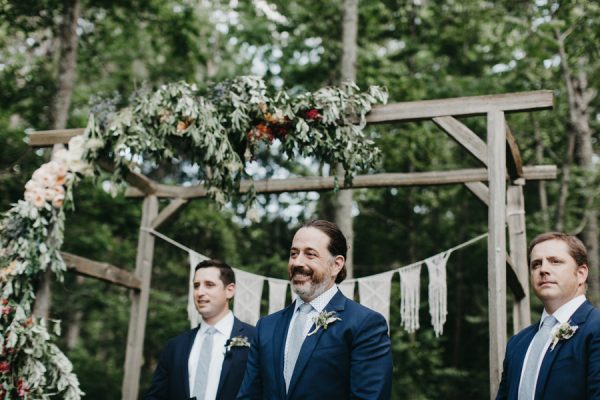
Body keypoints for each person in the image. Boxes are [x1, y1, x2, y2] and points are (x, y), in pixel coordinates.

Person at [237, 220, 392, 400]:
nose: (297, 262)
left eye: (310, 254)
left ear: (336, 265)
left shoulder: (364, 324)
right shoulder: (266, 326)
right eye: (294, 254)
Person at [496, 232, 600, 400]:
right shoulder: (517, 344)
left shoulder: (595, 328)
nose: (543, 269)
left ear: (581, 273)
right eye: (536, 264)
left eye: (555, 261)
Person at [145, 259, 256, 400]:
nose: (200, 292)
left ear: (229, 290)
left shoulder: (254, 339)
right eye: (196, 286)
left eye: (209, 285)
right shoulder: (175, 347)